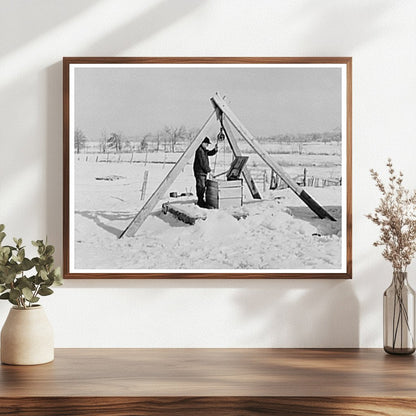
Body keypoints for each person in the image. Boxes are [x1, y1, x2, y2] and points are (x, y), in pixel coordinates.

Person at [193, 137, 218, 208]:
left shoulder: (203, 150)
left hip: (202, 171)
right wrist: (209, 171)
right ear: (202, 143)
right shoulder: (200, 151)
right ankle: (200, 201)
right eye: (206, 144)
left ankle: (201, 200)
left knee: (202, 186)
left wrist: (215, 150)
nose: (207, 145)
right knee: (201, 186)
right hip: (200, 171)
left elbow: (208, 153)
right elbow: (203, 162)